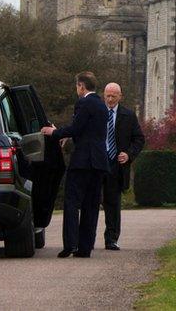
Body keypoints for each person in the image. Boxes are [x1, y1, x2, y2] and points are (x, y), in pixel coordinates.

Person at [40, 71, 109, 258]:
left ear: (81, 86)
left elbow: (76, 127)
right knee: (91, 204)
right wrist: (69, 135)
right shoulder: (103, 106)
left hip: (82, 161)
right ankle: (85, 247)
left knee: (72, 201)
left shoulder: (83, 103)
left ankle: (70, 244)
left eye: (77, 86)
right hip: (99, 161)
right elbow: (89, 131)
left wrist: (54, 132)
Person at [100, 82, 146, 251]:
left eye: (113, 96)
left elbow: (139, 139)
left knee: (112, 203)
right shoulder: (97, 113)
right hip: (98, 162)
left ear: (120, 96)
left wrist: (128, 154)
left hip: (116, 164)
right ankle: (86, 239)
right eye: (107, 96)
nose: (110, 99)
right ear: (103, 95)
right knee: (91, 201)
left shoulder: (128, 115)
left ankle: (111, 239)